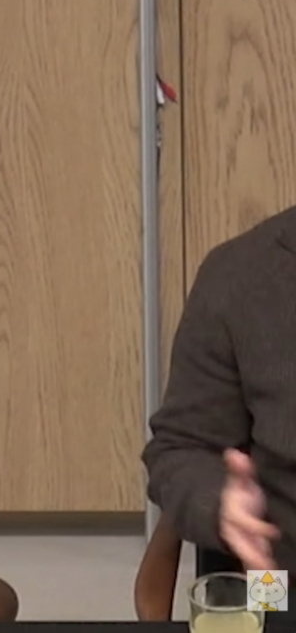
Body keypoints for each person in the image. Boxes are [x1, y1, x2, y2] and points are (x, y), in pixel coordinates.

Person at [142, 205, 296, 574]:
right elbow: (179, 448)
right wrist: (218, 500)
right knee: (263, 602)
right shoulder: (240, 274)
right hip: (277, 576)